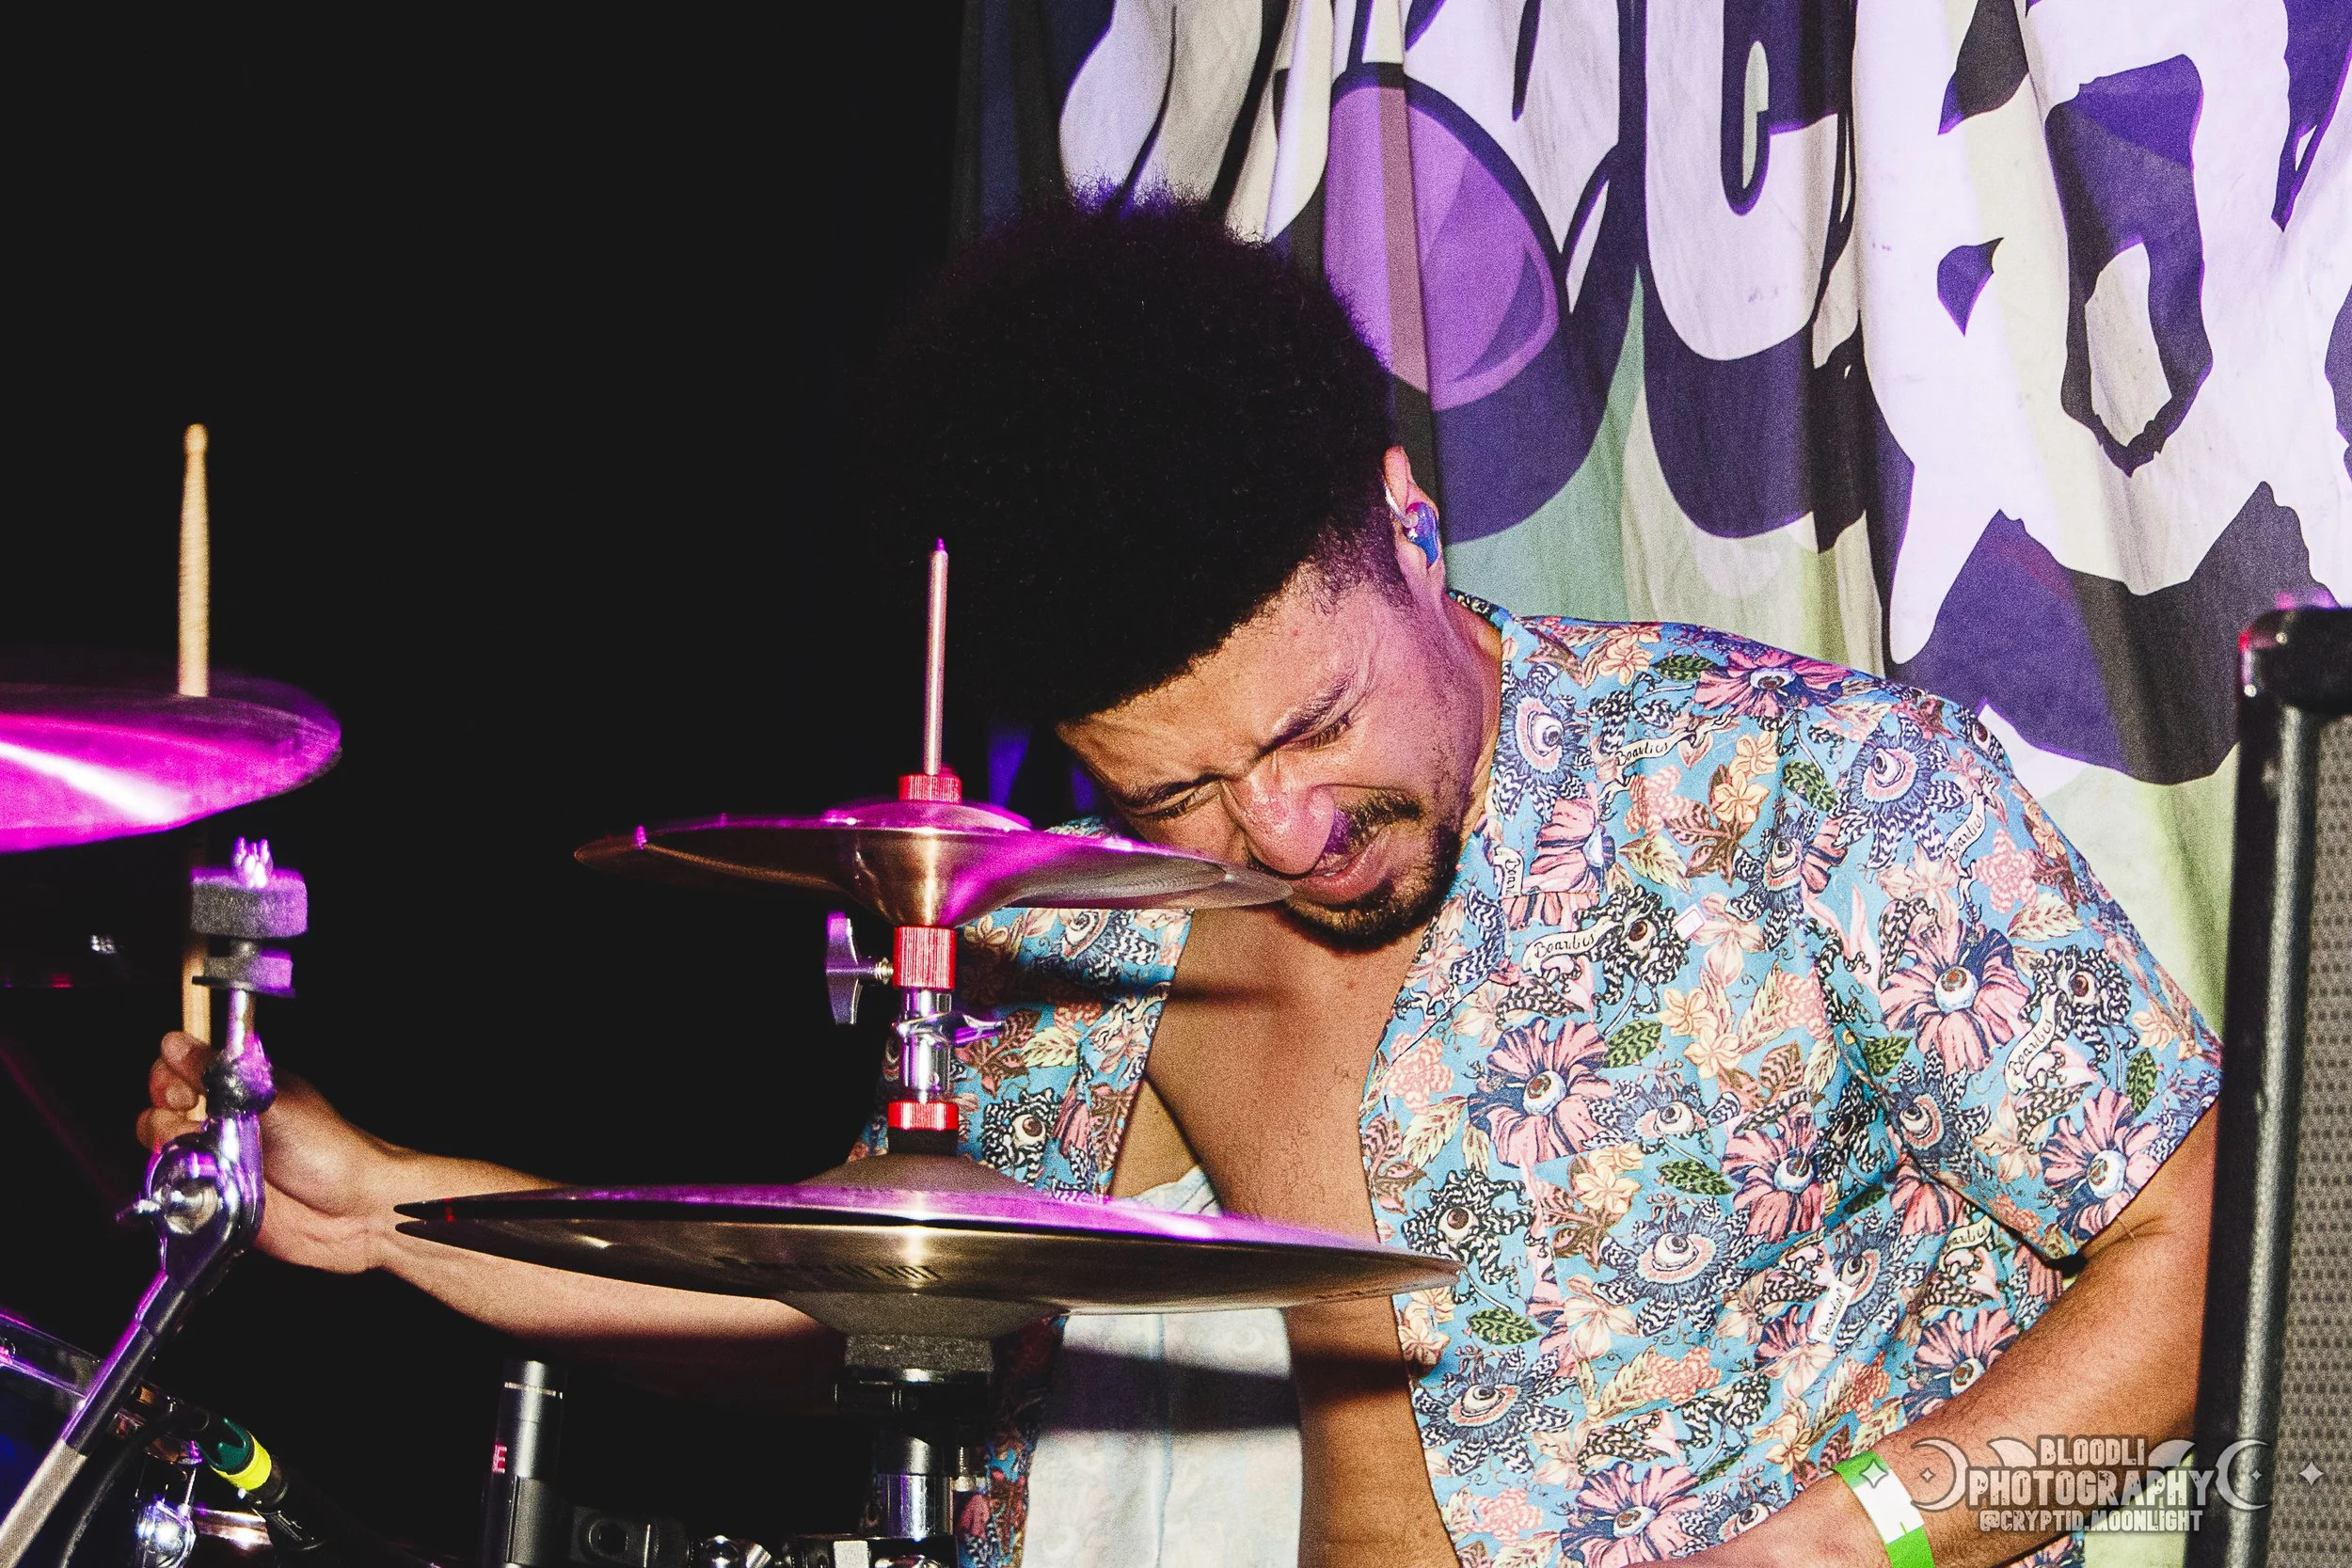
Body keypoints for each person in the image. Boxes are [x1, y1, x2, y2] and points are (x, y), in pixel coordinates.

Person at [143, 199, 2222, 1568]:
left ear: (1408, 528)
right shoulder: (1090, 915)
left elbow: (2212, 1266)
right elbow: (873, 1303)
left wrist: (1849, 1535)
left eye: (1317, 728)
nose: (1277, 833)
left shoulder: (1801, 799)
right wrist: (389, 1209)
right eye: (1182, 787)